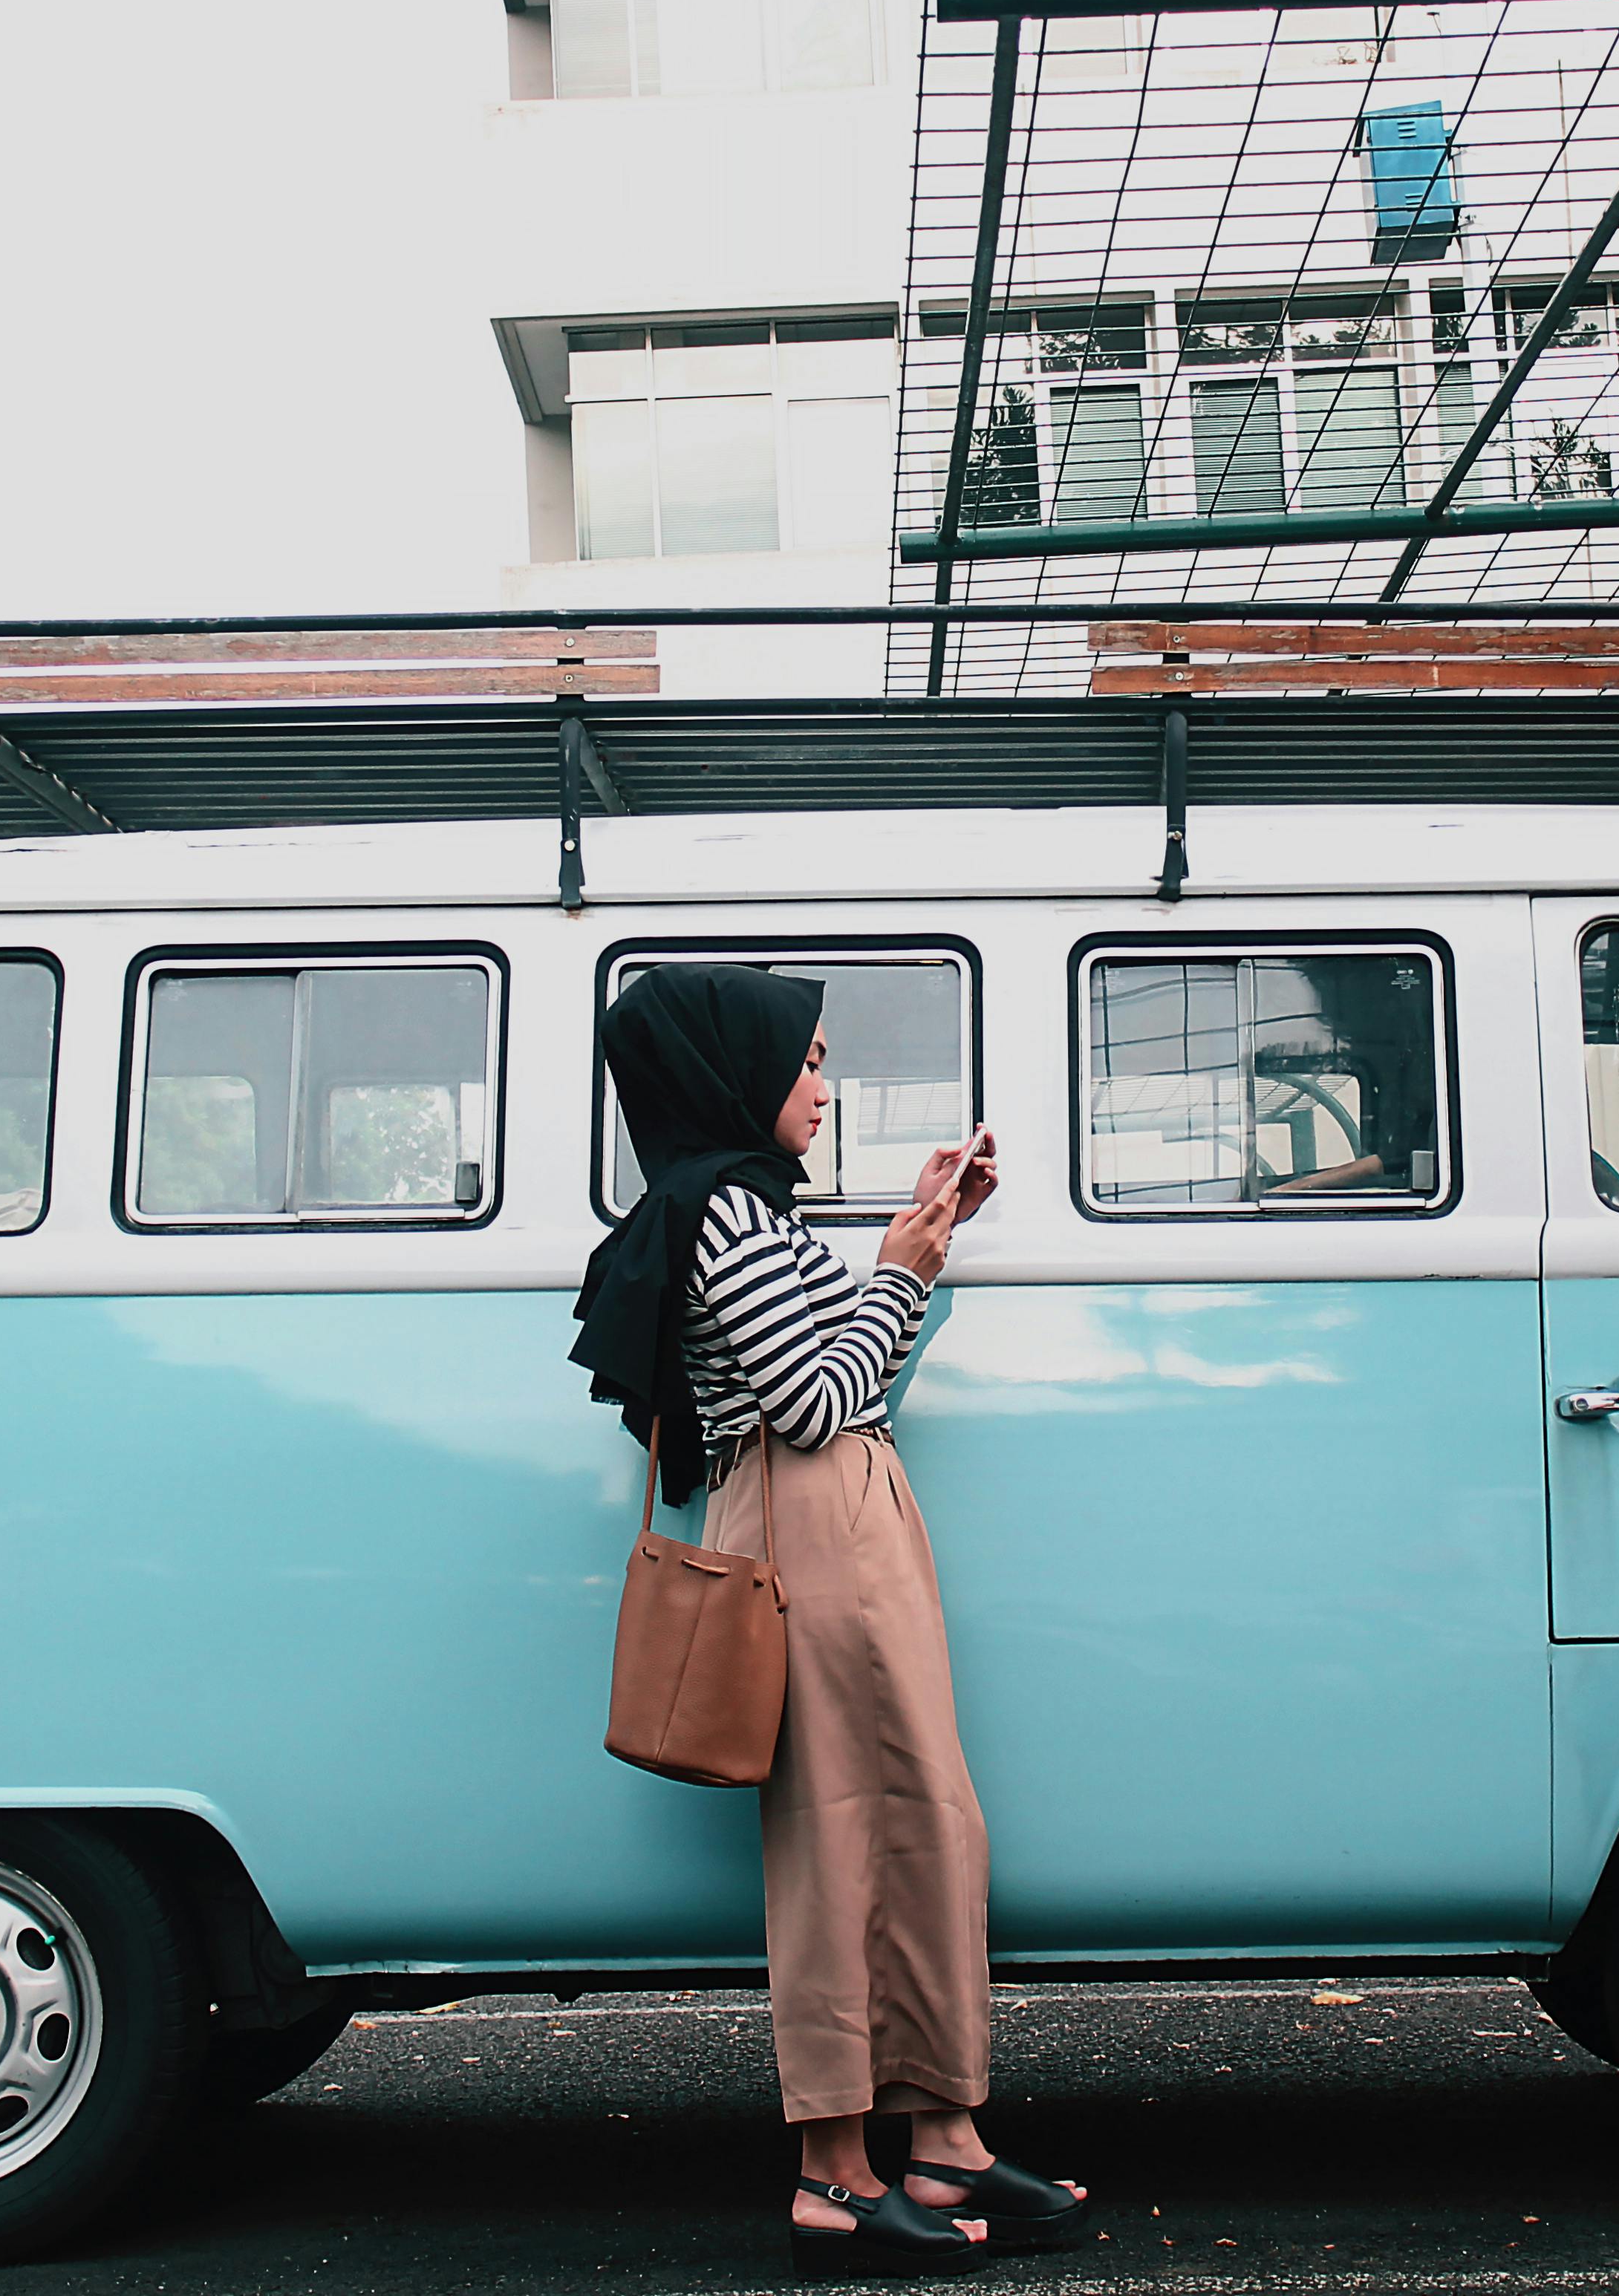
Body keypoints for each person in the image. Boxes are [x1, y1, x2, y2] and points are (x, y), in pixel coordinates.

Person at [570, 965, 1092, 2277]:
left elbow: (817, 1374)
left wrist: (923, 1232)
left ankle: (946, 2135)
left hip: (841, 1524)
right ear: (732, 1072)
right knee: (849, 1842)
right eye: (804, 1061)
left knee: (920, 1825)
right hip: (816, 1528)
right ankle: (836, 2178)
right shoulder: (731, 1210)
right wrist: (906, 1268)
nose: (823, 1084)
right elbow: (812, 1399)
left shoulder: (734, 1204)